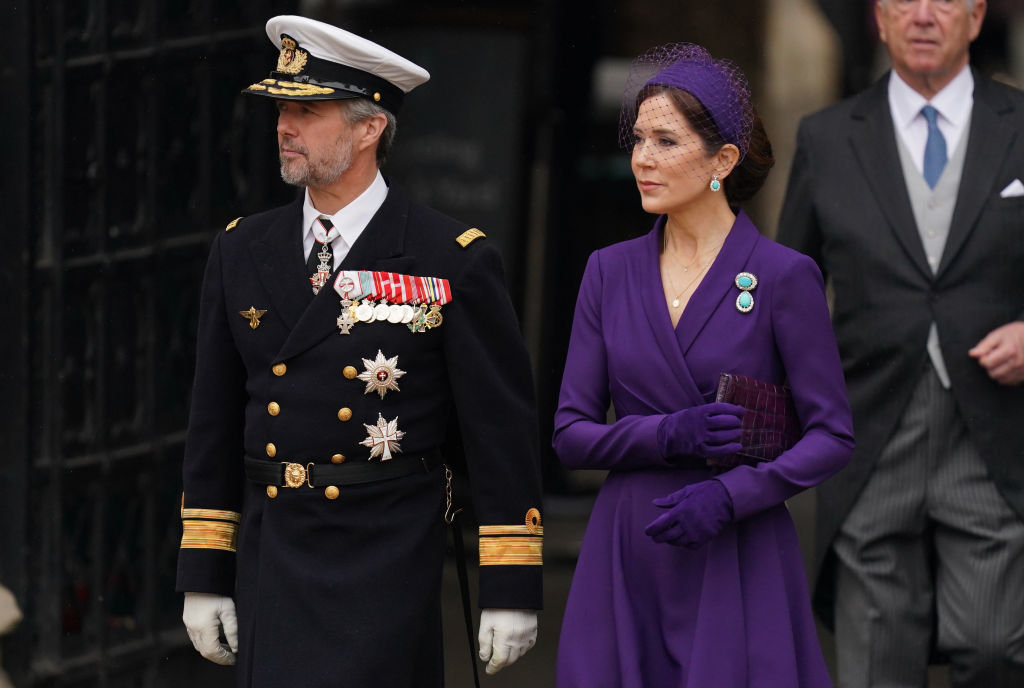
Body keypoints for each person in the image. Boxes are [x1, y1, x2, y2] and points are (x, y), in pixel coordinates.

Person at [175, 15, 543, 687]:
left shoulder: (450, 257)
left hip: (386, 555)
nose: (284, 126)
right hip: (274, 550)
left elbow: (499, 433)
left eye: (307, 110)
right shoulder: (242, 248)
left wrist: (511, 584)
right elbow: (214, 422)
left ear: (370, 127)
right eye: (281, 108)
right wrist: (203, 573)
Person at [553, 43, 855, 688]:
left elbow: (832, 435)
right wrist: (665, 434)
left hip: (736, 545)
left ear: (723, 160)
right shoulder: (607, 272)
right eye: (638, 139)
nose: (642, 158)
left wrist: (733, 493)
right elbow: (570, 434)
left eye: (666, 140)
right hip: (629, 541)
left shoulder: (783, 276)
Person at [777, 1, 1024, 686]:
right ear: (878, 20)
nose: (922, 15)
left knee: (996, 646)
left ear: (976, 18)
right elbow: (787, 291)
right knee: (875, 663)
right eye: (901, 1)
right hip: (869, 433)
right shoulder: (826, 138)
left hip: (996, 440)